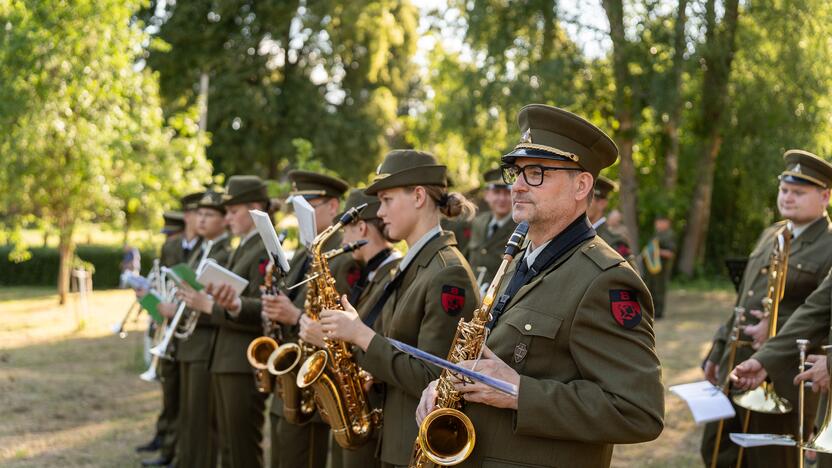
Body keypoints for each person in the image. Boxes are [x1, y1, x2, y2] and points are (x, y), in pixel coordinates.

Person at [415, 104, 664, 468]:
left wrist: (520, 392)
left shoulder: (606, 278)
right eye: (516, 172)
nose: (515, 185)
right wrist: (449, 386)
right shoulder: (519, 258)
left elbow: (639, 411)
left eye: (536, 173)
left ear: (582, 185)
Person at [316, 149, 480, 468]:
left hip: (417, 449)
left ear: (418, 196)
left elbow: (438, 378)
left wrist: (362, 337)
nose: (380, 212)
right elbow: (404, 349)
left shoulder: (448, 273)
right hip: (396, 441)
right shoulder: (417, 263)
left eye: (388, 200)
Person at [704, 150, 832, 468]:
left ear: (825, 196)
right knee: (719, 449)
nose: (788, 198)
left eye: (799, 193)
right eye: (785, 190)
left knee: (771, 457)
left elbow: (821, 312)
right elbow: (743, 300)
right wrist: (717, 351)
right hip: (741, 361)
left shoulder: (829, 244)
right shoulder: (770, 234)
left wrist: (775, 326)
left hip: (786, 373)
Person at [260, 170, 358, 468]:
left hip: (315, 375)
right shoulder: (307, 252)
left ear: (332, 207)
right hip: (293, 370)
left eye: (309, 205)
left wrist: (294, 315)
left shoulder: (341, 256)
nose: (300, 214)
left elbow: (338, 320)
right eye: (297, 206)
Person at [299, 188, 402, 468]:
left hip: (370, 408)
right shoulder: (373, 273)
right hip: (357, 404)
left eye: (345, 231)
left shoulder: (393, 274)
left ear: (360, 226)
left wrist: (327, 340)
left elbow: (383, 338)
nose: (343, 240)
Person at [179, 176, 271, 468]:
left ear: (255, 208)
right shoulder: (244, 247)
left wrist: (209, 305)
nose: (227, 217)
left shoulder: (264, 247)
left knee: (242, 449)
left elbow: (262, 309)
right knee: (229, 448)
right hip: (225, 358)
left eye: (233, 211)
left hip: (242, 361)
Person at [162, 190, 232, 468]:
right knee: (189, 417)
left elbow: (216, 303)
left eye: (209, 214)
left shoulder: (224, 254)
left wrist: (185, 307)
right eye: (199, 214)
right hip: (189, 342)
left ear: (224, 220)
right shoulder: (204, 250)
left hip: (204, 343)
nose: (201, 219)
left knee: (201, 421)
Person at [138, 192, 203, 467]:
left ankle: (176, 453)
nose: (199, 219)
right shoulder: (172, 246)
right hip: (170, 330)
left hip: (193, 331)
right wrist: (154, 304)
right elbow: (162, 283)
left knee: (188, 402)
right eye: (195, 213)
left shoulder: (208, 247)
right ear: (187, 216)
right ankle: (167, 448)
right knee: (170, 389)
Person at [464, 167, 516, 289]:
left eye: (507, 193)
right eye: (497, 192)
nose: (502, 199)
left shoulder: (522, 228)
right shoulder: (478, 222)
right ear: (487, 195)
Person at [587, 175, 632, 260]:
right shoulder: (578, 235)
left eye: (587, 199)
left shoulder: (614, 241)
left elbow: (626, 273)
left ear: (602, 204)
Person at [642, 214, 675, 319]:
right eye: (657, 222)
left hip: (662, 268)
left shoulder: (669, 235)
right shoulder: (657, 234)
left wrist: (656, 252)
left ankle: (659, 313)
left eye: (660, 221)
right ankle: (652, 312)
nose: (657, 224)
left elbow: (670, 253)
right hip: (652, 268)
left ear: (667, 223)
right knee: (651, 288)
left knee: (659, 290)